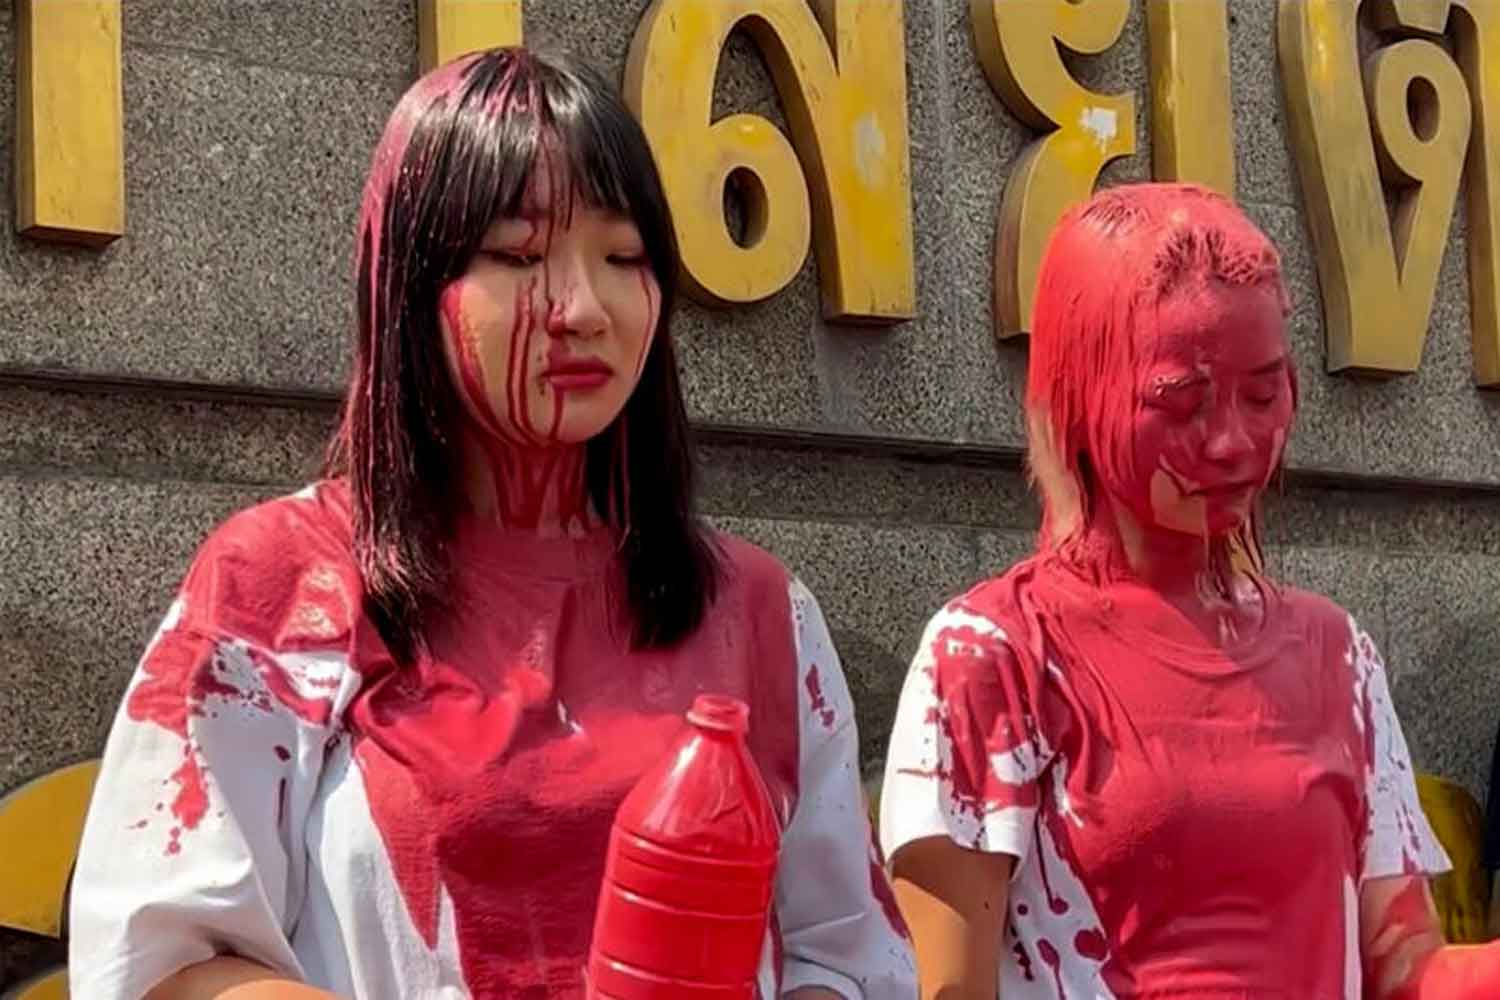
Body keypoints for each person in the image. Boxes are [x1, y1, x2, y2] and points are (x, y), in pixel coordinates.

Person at [69, 47, 915, 1000]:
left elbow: (847, 958)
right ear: (410, 283)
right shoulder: (279, 582)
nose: (584, 308)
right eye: (518, 256)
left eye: (624, 256)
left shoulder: (758, 609)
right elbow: (160, 960)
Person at [878, 182, 1500, 998]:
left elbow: (1407, 972)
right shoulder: (993, 653)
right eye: (1183, 401)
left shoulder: (1336, 655)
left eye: (1264, 392)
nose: (1233, 441)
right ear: (1079, 390)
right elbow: (949, 987)